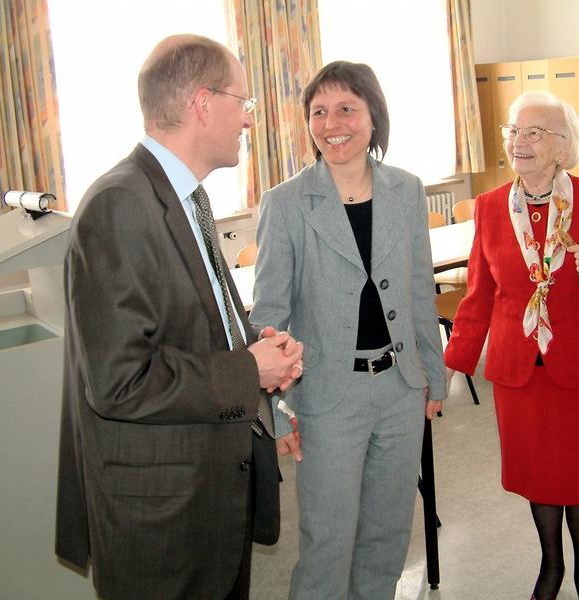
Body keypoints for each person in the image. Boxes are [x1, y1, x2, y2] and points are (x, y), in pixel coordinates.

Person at [55, 34, 303, 600]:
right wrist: (247, 371)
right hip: (162, 518)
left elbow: (187, 313)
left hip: (209, 492)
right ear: (202, 103)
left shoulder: (181, 194)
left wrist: (254, 345)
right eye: (244, 103)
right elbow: (119, 381)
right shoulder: (120, 204)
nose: (248, 120)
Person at [249, 61, 447, 600]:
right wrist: (274, 411)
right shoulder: (286, 203)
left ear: (372, 117)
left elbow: (417, 293)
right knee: (327, 543)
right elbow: (267, 316)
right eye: (319, 111)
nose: (332, 122)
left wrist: (434, 374)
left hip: (401, 388)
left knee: (387, 536)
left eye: (346, 108)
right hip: (327, 396)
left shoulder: (405, 190)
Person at [444, 91, 579, 600]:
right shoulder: (490, 209)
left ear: (562, 146)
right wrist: (448, 368)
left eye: (534, 132)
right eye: (514, 130)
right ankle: (550, 566)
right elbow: (477, 298)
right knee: (539, 476)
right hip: (519, 372)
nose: (518, 141)